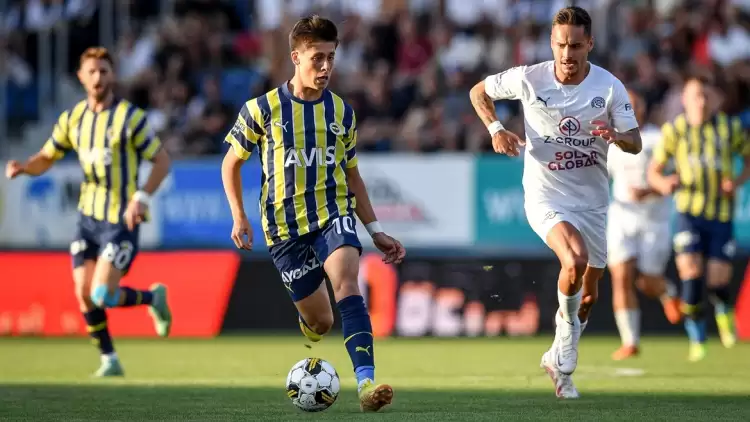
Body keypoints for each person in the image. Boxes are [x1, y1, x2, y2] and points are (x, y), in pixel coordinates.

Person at [220, 15, 405, 412]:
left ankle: (366, 385)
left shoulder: (342, 113)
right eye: (317, 58)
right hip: (283, 229)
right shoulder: (262, 110)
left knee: (347, 284)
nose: (325, 68)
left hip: (332, 213)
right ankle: (310, 324)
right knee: (321, 322)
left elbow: (352, 175)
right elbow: (230, 164)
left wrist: (374, 229)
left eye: (331, 58)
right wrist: (239, 216)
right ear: (295, 57)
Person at [469, 6, 641, 399]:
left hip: (593, 202)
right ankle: (565, 361)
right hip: (547, 194)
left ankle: (556, 355)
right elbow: (478, 91)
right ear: (552, 43)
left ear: (590, 45)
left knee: (589, 298)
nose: (567, 54)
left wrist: (614, 134)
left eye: (576, 46)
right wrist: (496, 128)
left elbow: (636, 141)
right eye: (561, 44)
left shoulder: (609, 86)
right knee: (574, 260)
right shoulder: (529, 77)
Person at [4, 47, 172, 377]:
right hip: (87, 219)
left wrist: (141, 196)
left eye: (104, 71)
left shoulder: (130, 118)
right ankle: (109, 359)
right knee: (84, 294)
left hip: (121, 219)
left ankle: (154, 299)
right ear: (81, 77)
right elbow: (47, 156)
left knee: (102, 293)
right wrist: (24, 167)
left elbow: (162, 161)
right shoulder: (73, 119)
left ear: (113, 76)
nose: (98, 77)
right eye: (91, 71)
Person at [648, 75, 750, 362]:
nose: (701, 102)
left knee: (718, 280)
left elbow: (748, 158)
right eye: (696, 96)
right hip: (687, 213)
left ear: (714, 100)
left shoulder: (729, 129)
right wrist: (663, 183)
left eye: (706, 96)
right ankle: (697, 338)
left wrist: (738, 180)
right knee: (691, 274)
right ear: (685, 100)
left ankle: (723, 311)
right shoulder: (675, 131)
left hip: (720, 214)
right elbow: (653, 172)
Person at [606, 88, 682, 361]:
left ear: (643, 109)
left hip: (654, 218)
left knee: (648, 281)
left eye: (633, 104)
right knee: (621, 277)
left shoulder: (657, 139)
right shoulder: (609, 141)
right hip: (621, 216)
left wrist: (650, 190)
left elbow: (678, 174)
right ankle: (630, 341)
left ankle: (667, 293)